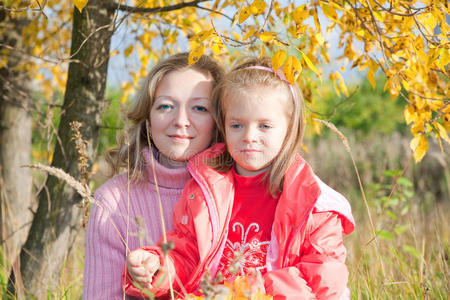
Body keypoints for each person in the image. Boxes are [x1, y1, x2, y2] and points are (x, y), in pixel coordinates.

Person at [123, 58, 355, 299]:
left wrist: (243, 292)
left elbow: (323, 280)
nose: (248, 136)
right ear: (223, 126)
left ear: (289, 128)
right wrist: (158, 266)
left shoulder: (316, 205)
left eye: (264, 126)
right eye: (237, 125)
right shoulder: (205, 188)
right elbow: (188, 254)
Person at [82, 53, 225, 299]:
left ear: (218, 121)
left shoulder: (237, 189)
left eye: (199, 108)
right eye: (166, 106)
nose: (181, 121)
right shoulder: (113, 201)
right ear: (148, 119)